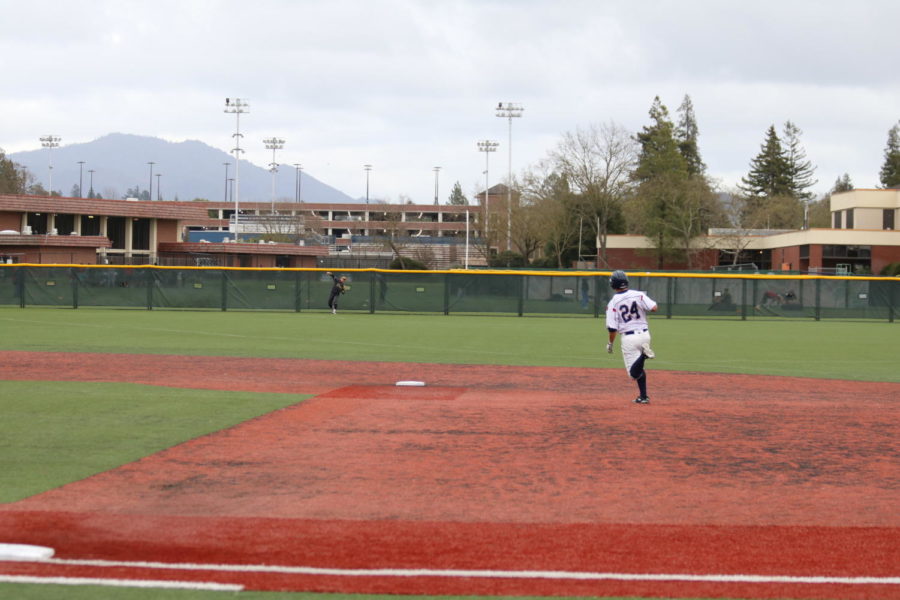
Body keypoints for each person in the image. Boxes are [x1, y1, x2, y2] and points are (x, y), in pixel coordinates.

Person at [605, 270, 658, 405]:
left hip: (629, 338)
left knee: (633, 374)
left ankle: (644, 355)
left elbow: (612, 328)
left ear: (612, 284)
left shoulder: (613, 303)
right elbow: (654, 307)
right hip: (645, 335)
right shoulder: (639, 294)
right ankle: (643, 396)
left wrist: (610, 343)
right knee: (639, 368)